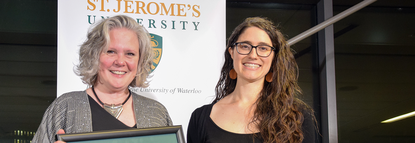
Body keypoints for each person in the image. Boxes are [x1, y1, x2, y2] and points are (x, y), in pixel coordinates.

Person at [32, 15, 173, 143]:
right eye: (111, 51)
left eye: (130, 53)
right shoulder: (65, 108)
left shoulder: (157, 113)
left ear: (140, 61)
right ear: (94, 55)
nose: (120, 61)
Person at [187, 17, 317, 143]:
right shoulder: (200, 117)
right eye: (245, 46)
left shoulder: (297, 117)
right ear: (232, 52)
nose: (253, 55)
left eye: (263, 48)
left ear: (274, 58)